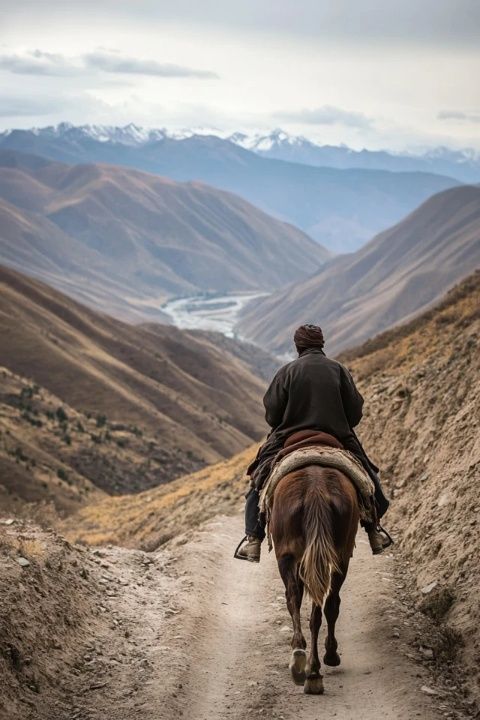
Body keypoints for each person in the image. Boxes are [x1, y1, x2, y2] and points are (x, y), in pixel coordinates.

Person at [235, 323, 392, 563]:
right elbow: (355, 414)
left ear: (297, 346)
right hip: (336, 435)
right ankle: (374, 531)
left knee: (258, 480)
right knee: (369, 476)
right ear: (322, 344)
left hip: (288, 435)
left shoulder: (286, 372)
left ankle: (253, 539)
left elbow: (272, 415)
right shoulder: (338, 370)